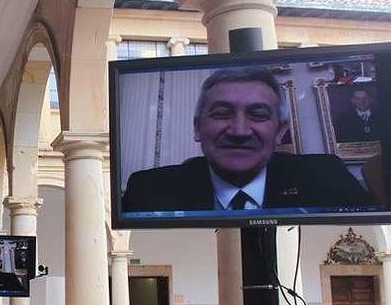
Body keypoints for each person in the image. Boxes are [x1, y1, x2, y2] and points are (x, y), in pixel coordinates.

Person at [121, 67, 373, 212]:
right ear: (198, 127)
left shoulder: (328, 179)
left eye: (258, 115)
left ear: (279, 131)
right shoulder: (148, 191)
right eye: (222, 114)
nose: (239, 131)